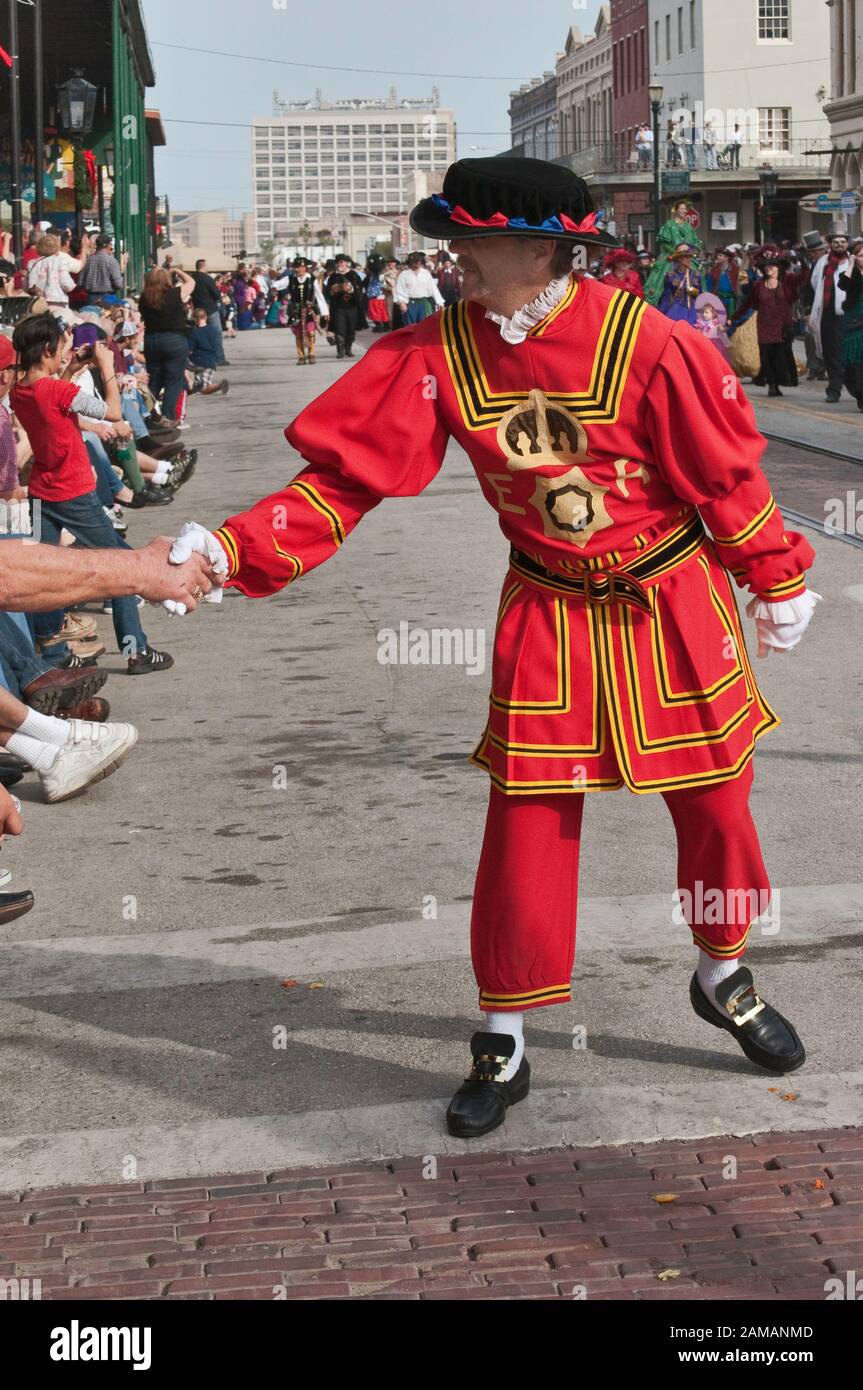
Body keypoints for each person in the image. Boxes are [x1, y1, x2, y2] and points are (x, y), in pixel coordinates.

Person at [169, 156, 819, 1140]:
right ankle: (503, 1034)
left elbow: (721, 481)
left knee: (717, 805)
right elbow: (340, 483)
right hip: (549, 611)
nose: (453, 258)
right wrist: (229, 546)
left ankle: (721, 969)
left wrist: (774, 575)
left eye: (469, 240)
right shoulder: (433, 353)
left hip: (670, 601)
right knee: (523, 827)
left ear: (539, 247)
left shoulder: (648, 343)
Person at [10, 313, 174, 675]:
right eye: (63, 349)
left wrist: (68, 372)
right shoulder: (55, 390)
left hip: (42, 490)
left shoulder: (20, 390)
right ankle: (136, 650)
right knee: (123, 565)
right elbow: (113, 411)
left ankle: (52, 654)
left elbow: (53, 406)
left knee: (45, 571)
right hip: (73, 491)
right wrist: (106, 366)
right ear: (50, 350)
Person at [731, 252, 809, 397]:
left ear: (779, 268)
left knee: (779, 356)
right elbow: (747, 303)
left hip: (783, 326)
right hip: (765, 325)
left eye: (772, 266)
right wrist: (733, 319)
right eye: (766, 267)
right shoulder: (759, 285)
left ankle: (778, 382)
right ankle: (772, 385)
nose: (768, 269)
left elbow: (802, 278)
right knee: (766, 356)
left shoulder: (788, 280)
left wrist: (804, 264)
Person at [140, 266, 194, 421]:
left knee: (155, 381)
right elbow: (191, 282)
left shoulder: (144, 298)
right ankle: (167, 416)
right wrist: (177, 270)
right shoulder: (174, 294)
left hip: (151, 341)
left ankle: (147, 415)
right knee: (173, 380)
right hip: (173, 339)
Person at [809, 223, 852, 402]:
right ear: (831, 244)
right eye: (836, 242)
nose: (839, 245)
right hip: (827, 314)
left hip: (849, 315)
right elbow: (813, 282)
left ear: (847, 244)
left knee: (848, 352)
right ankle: (834, 389)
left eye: (843, 242)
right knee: (830, 351)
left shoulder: (853, 261)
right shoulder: (823, 262)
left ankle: (853, 385)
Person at [644, 200, 703, 306]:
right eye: (681, 208)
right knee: (661, 278)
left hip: (687, 255)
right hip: (671, 255)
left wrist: (688, 247)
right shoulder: (669, 224)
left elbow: (695, 242)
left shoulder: (688, 226)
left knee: (696, 274)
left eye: (685, 209)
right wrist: (675, 250)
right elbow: (663, 242)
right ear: (676, 210)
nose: (684, 211)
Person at [838, 240, 863, 409]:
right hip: (854, 319)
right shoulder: (850, 274)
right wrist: (851, 263)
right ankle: (859, 393)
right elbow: (843, 285)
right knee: (854, 359)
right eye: (861, 255)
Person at [27, 233, 76, 316]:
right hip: (58, 302)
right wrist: (72, 285)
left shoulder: (33, 263)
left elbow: (30, 285)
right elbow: (67, 284)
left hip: (39, 303)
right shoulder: (60, 262)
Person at [324, 254, 364, 358]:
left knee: (351, 329)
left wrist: (352, 290)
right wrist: (337, 288)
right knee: (339, 328)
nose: (340, 264)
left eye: (342, 262)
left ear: (347, 263)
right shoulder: (333, 276)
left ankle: (348, 349)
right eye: (338, 262)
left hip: (352, 306)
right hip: (338, 307)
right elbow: (328, 291)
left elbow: (360, 288)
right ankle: (340, 351)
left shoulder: (354, 274)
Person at [190, 259, 227, 367]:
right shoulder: (208, 279)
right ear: (204, 266)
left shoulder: (192, 279)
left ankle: (200, 358)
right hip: (210, 309)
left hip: (198, 310)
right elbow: (216, 295)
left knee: (199, 334)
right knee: (216, 334)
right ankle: (219, 358)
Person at [657, 243, 702, 324]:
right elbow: (666, 297)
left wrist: (695, 292)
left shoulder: (696, 275)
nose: (689, 259)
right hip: (676, 311)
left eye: (689, 257)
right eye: (685, 257)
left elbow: (701, 295)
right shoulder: (671, 276)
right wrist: (661, 313)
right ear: (679, 259)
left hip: (692, 311)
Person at [394, 251, 445, 324]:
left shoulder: (426, 273)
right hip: (410, 304)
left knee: (425, 326)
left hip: (424, 303)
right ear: (410, 262)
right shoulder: (404, 274)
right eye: (415, 261)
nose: (417, 263)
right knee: (411, 327)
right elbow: (399, 290)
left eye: (419, 261)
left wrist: (440, 302)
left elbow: (433, 288)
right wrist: (402, 302)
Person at [188, 308, 230, 395]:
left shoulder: (194, 333)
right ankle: (193, 387)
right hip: (211, 361)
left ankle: (220, 385)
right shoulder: (213, 330)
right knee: (201, 385)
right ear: (206, 317)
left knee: (202, 389)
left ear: (195, 319)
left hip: (199, 362)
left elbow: (190, 350)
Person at [76, 234, 125, 306]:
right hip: (109, 299)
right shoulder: (112, 261)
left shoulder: (88, 260)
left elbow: (80, 282)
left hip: (91, 300)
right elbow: (119, 284)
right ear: (109, 245)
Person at [694, 291, 731, 363]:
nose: (704, 314)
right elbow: (698, 332)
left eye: (707, 312)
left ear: (713, 313)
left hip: (715, 343)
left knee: (715, 357)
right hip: (704, 341)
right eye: (703, 312)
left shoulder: (716, 322)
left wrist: (728, 325)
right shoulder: (700, 322)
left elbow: (723, 330)